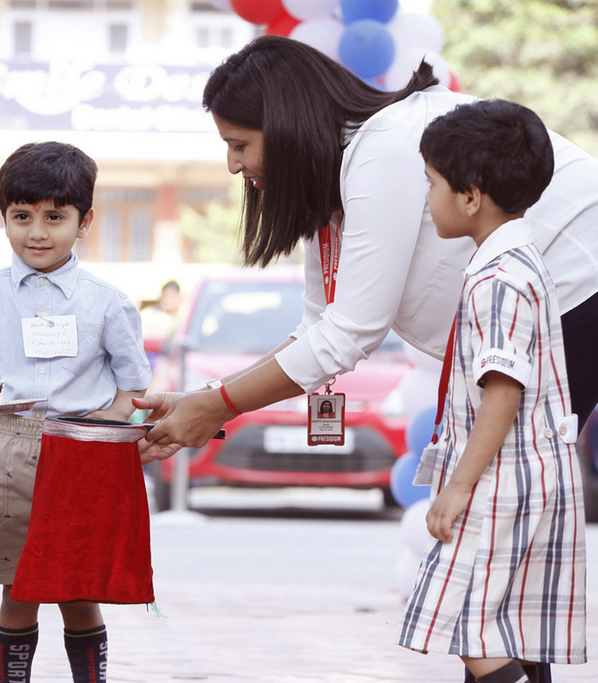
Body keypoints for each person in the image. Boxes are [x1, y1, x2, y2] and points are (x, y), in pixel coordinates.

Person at [136, 34, 598, 464]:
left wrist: (217, 406)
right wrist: (209, 396)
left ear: (285, 129)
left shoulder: (380, 150)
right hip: (544, 314)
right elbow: (318, 325)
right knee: (494, 490)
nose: (233, 165)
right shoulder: (335, 176)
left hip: (578, 287)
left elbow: (352, 333)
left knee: (504, 484)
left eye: (240, 145)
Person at [0, 141, 153, 683]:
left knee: (80, 590)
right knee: (19, 589)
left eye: (55, 216)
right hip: (5, 451)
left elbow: (135, 389)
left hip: (83, 454)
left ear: (84, 222)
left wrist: (107, 425)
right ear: (5, 217)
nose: (37, 231)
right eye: (22, 216)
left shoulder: (108, 302)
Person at [397, 99, 587, 683]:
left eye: (432, 185)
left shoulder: (497, 279)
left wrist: (457, 489)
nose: (426, 201)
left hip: (503, 482)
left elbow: (502, 392)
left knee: (472, 629)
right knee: (515, 628)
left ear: (471, 196)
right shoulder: (523, 261)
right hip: (532, 474)